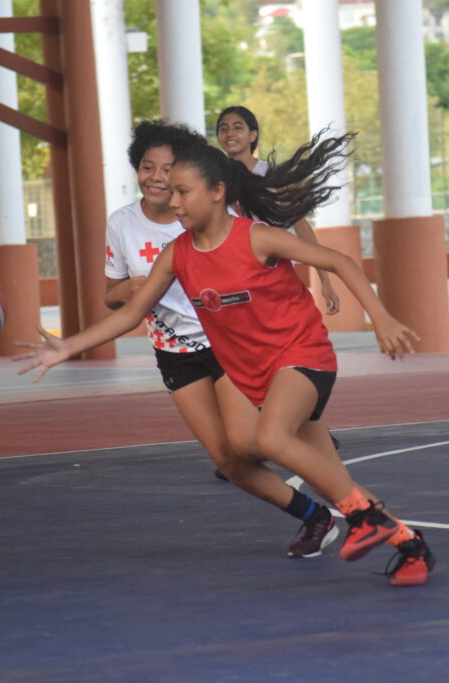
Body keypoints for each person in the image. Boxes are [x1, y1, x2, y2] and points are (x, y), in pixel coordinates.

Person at [17, 130, 437, 586]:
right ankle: (410, 545)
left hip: (299, 353)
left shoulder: (255, 237)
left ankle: (362, 518)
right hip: (247, 369)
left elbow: (338, 261)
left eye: (183, 191)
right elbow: (131, 313)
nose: (173, 201)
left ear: (217, 193)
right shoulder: (177, 254)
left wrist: (382, 318)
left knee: (274, 439)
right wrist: (67, 346)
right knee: (295, 466)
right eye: (171, 191)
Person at [104, 120, 337, 560]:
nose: (157, 178)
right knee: (230, 463)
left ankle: (304, 428)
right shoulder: (121, 225)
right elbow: (112, 297)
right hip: (175, 353)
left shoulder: (204, 213)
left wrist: (322, 279)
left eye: (168, 170)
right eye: (147, 167)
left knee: (252, 443)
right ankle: (314, 516)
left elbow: (287, 235)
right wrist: (127, 291)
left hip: (227, 342)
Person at [215, 105, 340, 315]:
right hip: (230, 273)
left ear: (252, 134)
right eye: (223, 128)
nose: (229, 134)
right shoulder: (213, 177)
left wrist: (324, 281)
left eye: (237, 128)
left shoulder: (273, 176)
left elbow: (302, 228)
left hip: (271, 271)